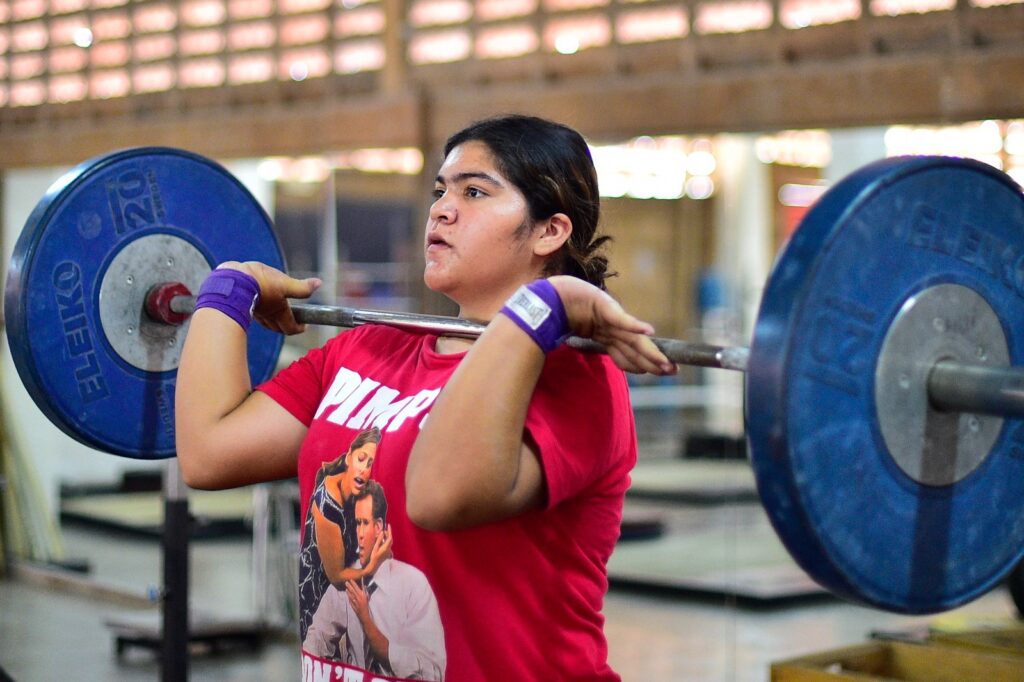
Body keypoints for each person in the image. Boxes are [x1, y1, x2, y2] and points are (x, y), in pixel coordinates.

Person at [176, 113, 675, 680]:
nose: (441, 209)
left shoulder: (573, 376)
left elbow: (439, 497)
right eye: (441, 191)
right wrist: (229, 288)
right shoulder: (367, 349)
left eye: (474, 192)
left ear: (548, 232)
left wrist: (544, 306)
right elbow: (209, 452)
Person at [304, 480, 446, 680]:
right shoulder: (348, 581)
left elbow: (433, 673)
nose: (359, 534)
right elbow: (314, 640)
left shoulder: (413, 585)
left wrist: (366, 620)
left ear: (379, 527)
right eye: (356, 523)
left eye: (364, 523)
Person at [298, 426, 392, 641]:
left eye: (371, 464)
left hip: (349, 602)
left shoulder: (361, 492)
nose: (364, 469)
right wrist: (372, 566)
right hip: (319, 599)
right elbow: (337, 577)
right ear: (349, 456)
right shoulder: (327, 502)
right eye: (361, 459)